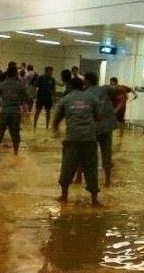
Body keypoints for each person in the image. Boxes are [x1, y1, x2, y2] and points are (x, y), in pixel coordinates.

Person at [53, 77, 101, 206]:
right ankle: (94, 201)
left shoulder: (65, 100)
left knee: (67, 166)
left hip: (72, 138)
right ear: (83, 86)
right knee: (91, 168)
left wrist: (56, 131)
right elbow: (98, 117)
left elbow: (56, 120)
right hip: (89, 139)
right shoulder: (93, 99)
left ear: (69, 87)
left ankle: (64, 197)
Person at [84, 72, 116, 187]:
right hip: (107, 127)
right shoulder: (105, 89)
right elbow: (120, 89)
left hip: (92, 128)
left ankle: (82, 179)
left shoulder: (85, 93)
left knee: (88, 154)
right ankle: (107, 181)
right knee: (107, 154)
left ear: (87, 81)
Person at [0, 65, 26, 161]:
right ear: (15, 74)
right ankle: (16, 154)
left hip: (4, 111)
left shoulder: (1, 85)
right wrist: (20, 102)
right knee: (15, 134)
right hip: (15, 112)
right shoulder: (19, 85)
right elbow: (27, 97)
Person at [33, 66, 56, 131]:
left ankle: (47, 126)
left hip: (48, 98)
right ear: (46, 71)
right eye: (50, 71)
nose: (51, 73)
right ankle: (34, 125)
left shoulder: (52, 79)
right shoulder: (40, 78)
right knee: (37, 111)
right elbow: (35, 86)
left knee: (48, 112)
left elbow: (54, 89)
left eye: (52, 71)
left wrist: (54, 98)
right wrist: (35, 95)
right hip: (40, 97)